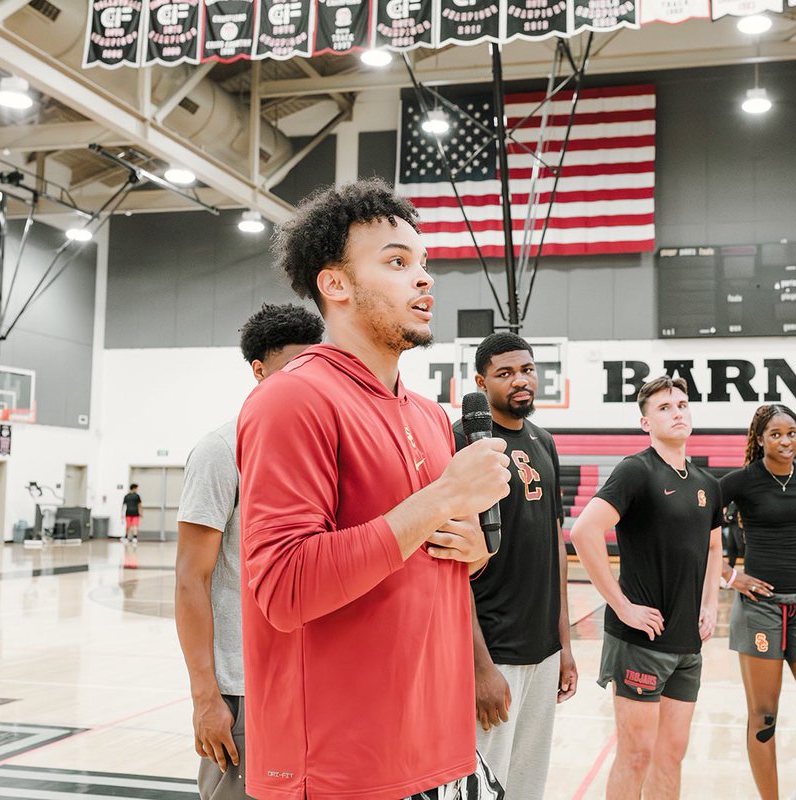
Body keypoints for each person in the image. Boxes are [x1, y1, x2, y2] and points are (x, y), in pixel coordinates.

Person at [236, 179, 511, 800]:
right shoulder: (292, 399)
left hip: (437, 749)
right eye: (396, 262)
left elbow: (424, 557)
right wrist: (439, 500)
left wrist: (472, 546)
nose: (424, 279)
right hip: (340, 769)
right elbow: (283, 587)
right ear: (335, 285)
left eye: (422, 263)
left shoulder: (428, 415)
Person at [175, 303, 323, 800]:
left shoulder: (320, 448)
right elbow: (190, 579)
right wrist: (205, 697)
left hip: (316, 680)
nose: (308, 381)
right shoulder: (220, 450)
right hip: (243, 689)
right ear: (259, 371)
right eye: (293, 368)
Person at [570, 376, 722, 799]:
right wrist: (620, 606)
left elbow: (713, 547)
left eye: (682, 404)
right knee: (636, 754)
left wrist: (710, 604)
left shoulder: (708, 485)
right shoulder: (636, 471)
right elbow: (584, 532)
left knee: (671, 755)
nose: (677, 412)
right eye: (665, 407)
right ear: (645, 423)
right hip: (642, 640)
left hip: (687, 643)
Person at [452, 331, 576, 799]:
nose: (519, 380)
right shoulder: (461, 440)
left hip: (542, 651)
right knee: (483, 789)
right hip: (493, 653)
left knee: (527, 787)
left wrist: (563, 644)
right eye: (505, 374)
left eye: (526, 370)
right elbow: (450, 564)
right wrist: (480, 666)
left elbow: (555, 549)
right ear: (482, 382)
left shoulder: (544, 441)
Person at [719, 403, 796, 800]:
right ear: (760, 439)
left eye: (791, 432)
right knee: (764, 717)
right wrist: (730, 576)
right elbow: (696, 527)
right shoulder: (740, 481)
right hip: (760, 608)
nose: (786, 440)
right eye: (776, 434)